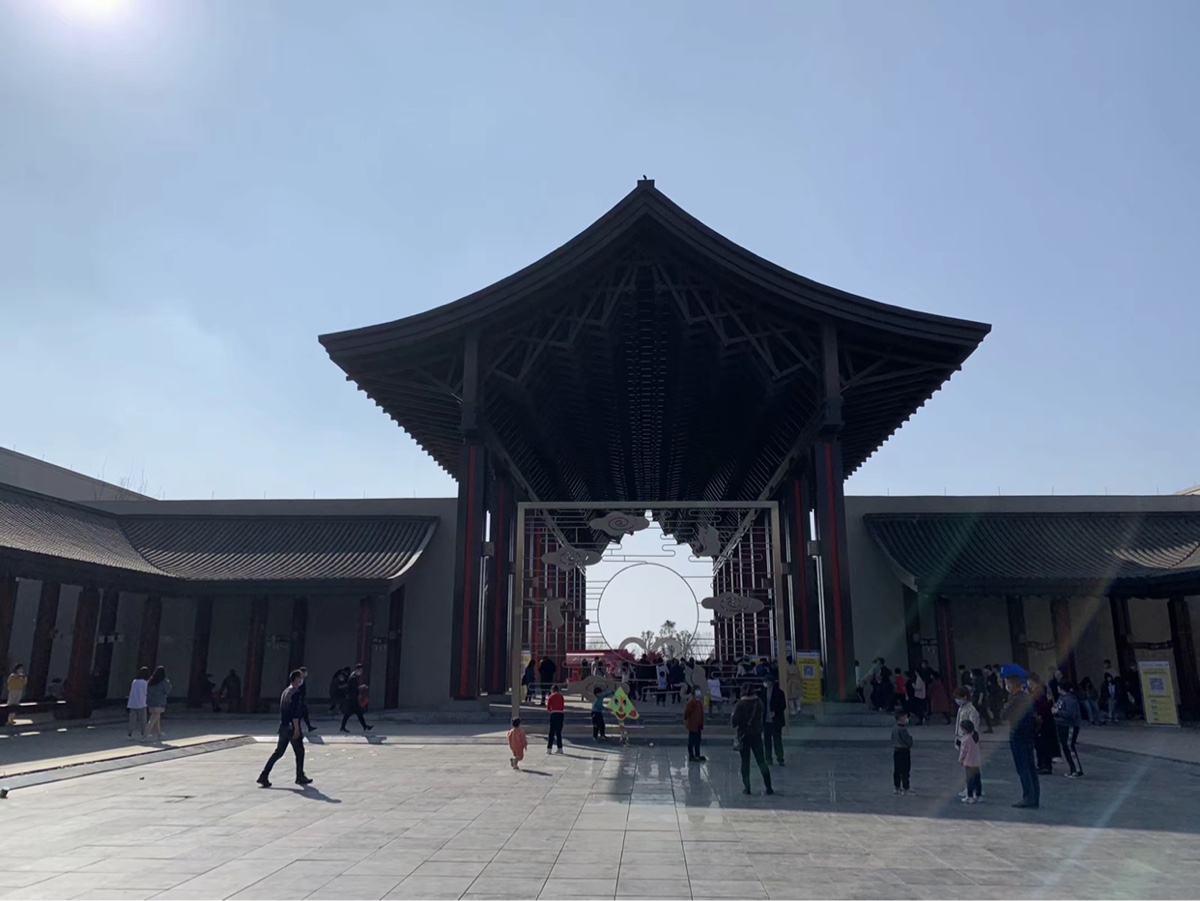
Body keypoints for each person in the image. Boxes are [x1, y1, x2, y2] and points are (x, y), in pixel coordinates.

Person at [257, 669, 312, 788]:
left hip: (283, 726)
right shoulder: (296, 693)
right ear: (296, 679)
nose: (301, 680)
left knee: (278, 752)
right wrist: (297, 729)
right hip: (292, 727)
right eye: (300, 678)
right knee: (300, 752)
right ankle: (300, 776)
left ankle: (264, 775)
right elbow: (295, 712)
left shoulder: (286, 692)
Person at [1002, 665, 1040, 809]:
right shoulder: (1026, 697)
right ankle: (1034, 796)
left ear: (1012, 685)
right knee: (1030, 767)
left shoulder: (1016, 699)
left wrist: (1006, 705)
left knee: (1023, 768)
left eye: (1007, 683)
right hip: (1028, 735)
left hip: (1018, 735)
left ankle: (1028, 797)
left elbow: (1004, 715)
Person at [731, 688, 774, 796]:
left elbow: (734, 723)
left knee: (745, 762)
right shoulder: (759, 703)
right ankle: (769, 787)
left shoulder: (740, 704)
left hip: (744, 736)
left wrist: (733, 716)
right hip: (756, 735)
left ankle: (747, 788)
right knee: (761, 761)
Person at [1027, 672, 1059, 775]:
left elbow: (1043, 708)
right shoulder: (1037, 691)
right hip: (1042, 722)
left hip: (1043, 723)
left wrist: (1038, 717)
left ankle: (1045, 765)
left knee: (1043, 745)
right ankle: (1042, 764)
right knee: (1040, 745)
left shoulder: (1039, 693)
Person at [1054, 683, 1084, 778]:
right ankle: (1073, 769)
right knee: (1065, 747)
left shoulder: (1070, 700)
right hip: (1062, 724)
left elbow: (1071, 714)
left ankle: (1076, 769)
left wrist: (1058, 712)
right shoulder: (1061, 698)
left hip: (1069, 725)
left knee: (1069, 746)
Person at [340, 663, 373, 733]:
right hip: (352, 699)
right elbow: (354, 688)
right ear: (357, 670)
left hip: (352, 698)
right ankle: (343, 727)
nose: (361, 672)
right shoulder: (353, 678)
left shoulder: (353, 677)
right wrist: (362, 687)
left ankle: (365, 726)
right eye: (360, 671)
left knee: (357, 713)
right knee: (349, 713)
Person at [958, 719, 983, 803]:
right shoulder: (975, 737)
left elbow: (963, 751)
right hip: (976, 762)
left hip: (969, 762)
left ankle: (970, 796)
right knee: (977, 779)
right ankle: (978, 795)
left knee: (969, 780)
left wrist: (960, 759)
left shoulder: (966, 739)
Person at [144, 666, 172, 742]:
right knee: (153, 720)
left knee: (157, 719)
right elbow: (168, 690)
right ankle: (145, 735)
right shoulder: (163, 681)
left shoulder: (151, 681)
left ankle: (159, 734)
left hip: (151, 702)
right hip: (159, 702)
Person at [763, 679, 786, 766]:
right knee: (767, 741)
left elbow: (783, 705)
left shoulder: (779, 692)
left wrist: (775, 712)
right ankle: (768, 758)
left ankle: (780, 758)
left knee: (777, 740)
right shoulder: (763, 692)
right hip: (766, 721)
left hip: (776, 721)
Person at [891, 710, 914, 795]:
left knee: (897, 770)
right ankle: (906, 788)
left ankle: (897, 787)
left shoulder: (894, 728)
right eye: (905, 717)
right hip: (903, 751)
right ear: (901, 718)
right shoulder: (902, 730)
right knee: (905, 770)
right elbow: (908, 741)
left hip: (896, 751)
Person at [683, 687, 706, 762]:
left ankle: (697, 754)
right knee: (692, 741)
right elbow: (686, 713)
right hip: (693, 725)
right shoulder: (691, 702)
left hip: (698, 724)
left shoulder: (699, 702)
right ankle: (691, 755)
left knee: (698, 741)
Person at [127, 667, 149, 740]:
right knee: (143, 720)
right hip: (142, 703)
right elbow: (146, 692)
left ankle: (130, 733)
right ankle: (143, 733)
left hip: (133, 703)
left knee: (132, 719)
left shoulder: (134, 681)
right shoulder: (145, 682)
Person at [546, 684, 565, 754]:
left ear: (552, 690)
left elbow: (548, 708)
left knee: (552, 732)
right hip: (561, 714)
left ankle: (549, 748)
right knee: (558, 732)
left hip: (554, 713)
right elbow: (562, 706)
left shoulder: (551, 696)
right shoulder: (561, 696)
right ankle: (560, 748)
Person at [298, 666, 316, 732]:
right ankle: (297, 727)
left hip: (302, 699)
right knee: (300, 714)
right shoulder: (299, 680)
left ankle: (309, 727)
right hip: (299, 700)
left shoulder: (302, 679)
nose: (306, 673)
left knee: (305, 713)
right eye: (305, 672)